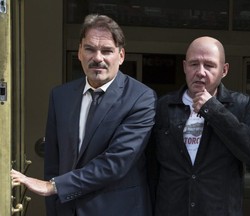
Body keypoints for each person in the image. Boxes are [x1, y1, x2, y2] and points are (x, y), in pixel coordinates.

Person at [11, 14, 156, 216]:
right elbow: (53, 161)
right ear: (79, 52)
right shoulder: (60, 96)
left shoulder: (141, 98)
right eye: (90, 49)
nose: (98, 58)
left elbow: (115, 163)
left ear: (121, 56)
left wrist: (53, 186)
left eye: (107, 51)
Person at [147, 36, 250, 216]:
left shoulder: (243, 106)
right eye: (193, 64)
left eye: (209, 65)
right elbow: (151, 168)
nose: (200, 72)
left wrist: (214, 110)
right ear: (184, 67)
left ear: (224, 70)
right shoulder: (162, 106)